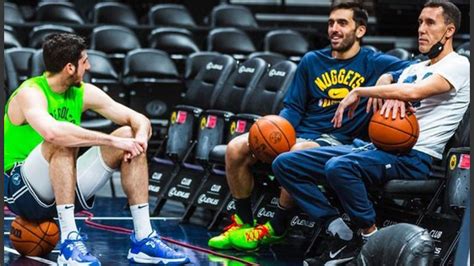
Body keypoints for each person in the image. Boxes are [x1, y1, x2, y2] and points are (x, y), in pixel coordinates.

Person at [271, 1, 469, 265]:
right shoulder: (415, 68)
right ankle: (337, 230)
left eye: (430, 23)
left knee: (339, 167)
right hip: (377, 149)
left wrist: (360, 91)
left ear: (449, 31)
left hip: (415, 157)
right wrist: (385, 79)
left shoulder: (459, 64)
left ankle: (370, 241)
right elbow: (396, 77)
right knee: (286, 163)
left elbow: (413, 92)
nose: (421, 29)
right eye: (420, 22)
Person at [208, 2, 411, 251]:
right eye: (331, 23)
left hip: (338, 139)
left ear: (360, 30)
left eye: (342, 23)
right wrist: (277, 132)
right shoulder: (311, 60)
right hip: (301, 131)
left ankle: (276, 228)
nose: (334, 29)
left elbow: (418, 68)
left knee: (295, 153)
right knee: (236, 147)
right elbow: (293, 107)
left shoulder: (375, 61)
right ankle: (244, 224)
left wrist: (387, 77)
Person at [3, 33, 189, 265]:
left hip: (63, 182)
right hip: (22, 190)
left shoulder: (82, 92)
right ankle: (69, 242)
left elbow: (137, 118)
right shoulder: (30, 93)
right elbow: (53, 133)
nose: (89, 66)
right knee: (63, 137)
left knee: (128, 134)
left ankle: (144, 239)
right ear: (70, 67)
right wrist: (111, 141)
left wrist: (139, 139)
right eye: (85, 61)